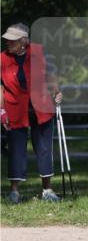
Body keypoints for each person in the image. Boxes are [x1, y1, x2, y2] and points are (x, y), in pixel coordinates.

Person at [1, 23, 62, 203]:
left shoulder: (39, 53)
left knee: (44, 149)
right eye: (7, 40)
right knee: (16, 150)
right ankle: (14, 192)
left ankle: (47, 190)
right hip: (15, 110)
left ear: (23, 41)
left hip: (41, 107)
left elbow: (50, 75)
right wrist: (1, 110)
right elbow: (1, 88)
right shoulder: (2, 59)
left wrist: (57, 93)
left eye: (12, 40)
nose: (7, 42)